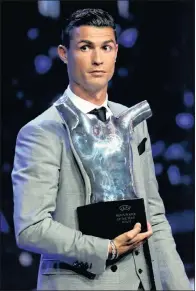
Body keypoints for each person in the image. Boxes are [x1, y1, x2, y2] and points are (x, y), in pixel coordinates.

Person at [11, 8, 191, 291]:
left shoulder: (131, 121)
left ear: (116, 52)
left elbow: (153, 215)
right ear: (63, 53)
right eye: (85, 47)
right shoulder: (41, 131)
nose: (97, 59)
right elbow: (30, 229)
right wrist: (105, 249)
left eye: (105, 47)